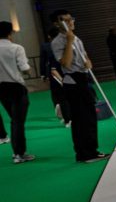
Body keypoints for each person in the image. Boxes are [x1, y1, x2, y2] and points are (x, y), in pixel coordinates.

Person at [50, 9, 105, 163]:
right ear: (56, 24)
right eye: (65, 20)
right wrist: (68, 41)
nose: (70, 22)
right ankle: (85, 153)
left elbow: (86, 60)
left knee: (89, 116)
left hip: (83, 78)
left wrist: (88, 62)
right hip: (72, 82)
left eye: (71, 19)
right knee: (81, 119)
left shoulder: (77, 38)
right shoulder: (58, 42)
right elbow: (65, 63)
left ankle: (91, 150)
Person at [0, 21, 34, 163]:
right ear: (10, 33)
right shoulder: (16, 48)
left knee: (15, 121)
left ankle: (20, 152)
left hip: (1, 89)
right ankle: (19, 154)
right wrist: (28, 71)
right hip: (16, 88)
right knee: (18, 122)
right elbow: (25, 68)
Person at [38, 22, 68, 124]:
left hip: (52, 72)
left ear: (49, 36)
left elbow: (42, 61)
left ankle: (58, 106)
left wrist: (42, 74)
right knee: (66, 92)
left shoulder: (45, 46)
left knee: (56, 92)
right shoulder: (64, 43)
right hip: (65, 70)